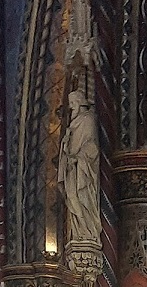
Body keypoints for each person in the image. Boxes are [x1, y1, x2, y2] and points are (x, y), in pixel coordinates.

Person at [59, 90, 100, 244]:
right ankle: (79, 231)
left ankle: (87, 231)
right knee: (71, 197)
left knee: (82, 197)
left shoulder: (88, 119)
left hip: (83, 168)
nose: (71, 107)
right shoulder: (73, 123)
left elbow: (92, 145)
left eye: (72, 103)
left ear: (79, 101)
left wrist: (79, 158)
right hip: (72, 168)